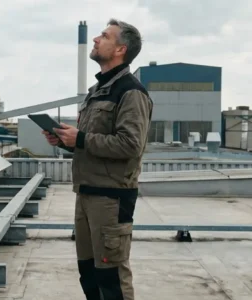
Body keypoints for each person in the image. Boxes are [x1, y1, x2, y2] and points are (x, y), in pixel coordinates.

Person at [43, 18, 152, 300]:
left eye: (104, 36)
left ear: (120, 49)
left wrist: (79, 138)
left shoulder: (130, 92)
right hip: (87, 193)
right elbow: (95, 143)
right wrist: (67, 142)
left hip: (111, 198)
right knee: (89, 273)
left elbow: (130, 144)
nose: (95, 39)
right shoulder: (96, 92)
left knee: (111, 276)